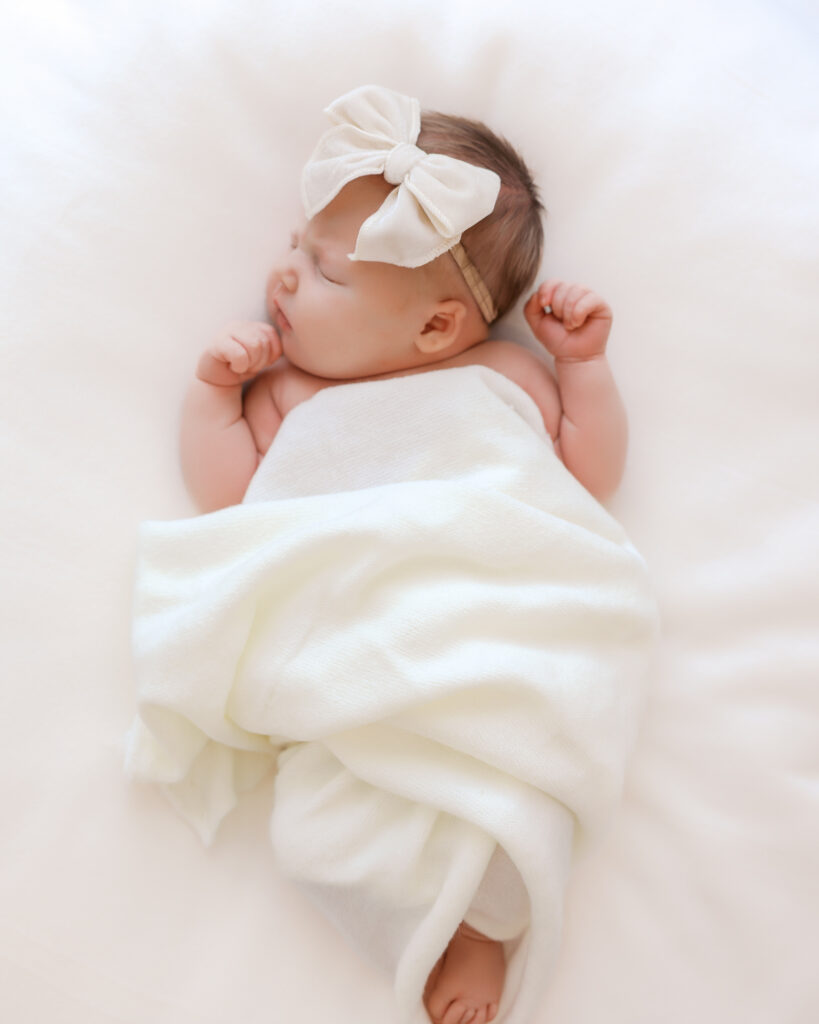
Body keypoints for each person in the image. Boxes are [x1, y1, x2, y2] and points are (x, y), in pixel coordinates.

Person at [179, 85, 628, 1024]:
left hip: (496, 627)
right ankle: (426, 916)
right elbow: (235, 504)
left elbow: (582, 483)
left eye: (326, 274)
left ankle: (473, 926)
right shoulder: (290, 394)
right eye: (298, 247)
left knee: (504, 766)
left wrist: (582, 368)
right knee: (324, 836)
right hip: (355, 648)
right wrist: (214, 402)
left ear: (437, 328)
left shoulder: (506, 375)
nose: (286, 278)